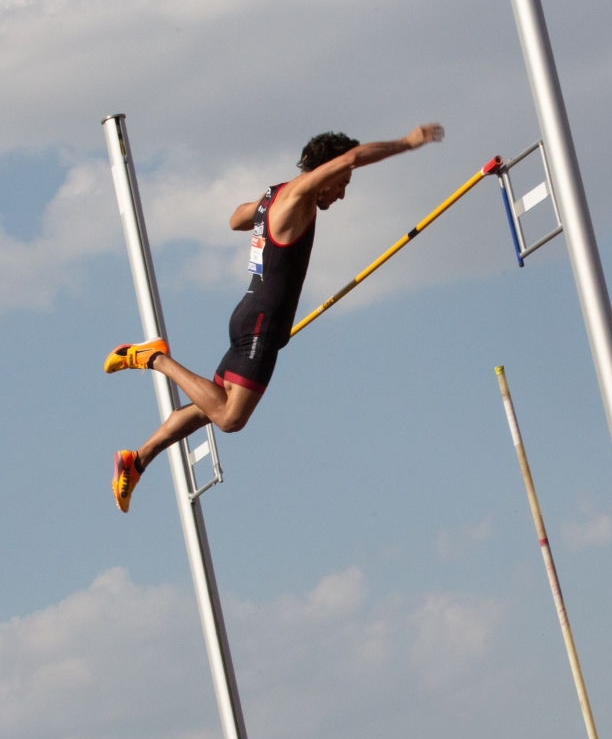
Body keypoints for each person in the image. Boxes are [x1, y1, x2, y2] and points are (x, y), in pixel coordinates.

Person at [105, 122, 444, 511]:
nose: (343, 193)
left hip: (250, 318)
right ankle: (153, 357)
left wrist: (264, 211)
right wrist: (407, 143)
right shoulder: (298, 196)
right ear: (326, 171)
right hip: (261, 326)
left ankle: (137, 459)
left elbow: (235, 218)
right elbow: (351, 157)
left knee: (207, 406)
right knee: (230, 419)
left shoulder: (277, 196)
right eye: (341, 182)